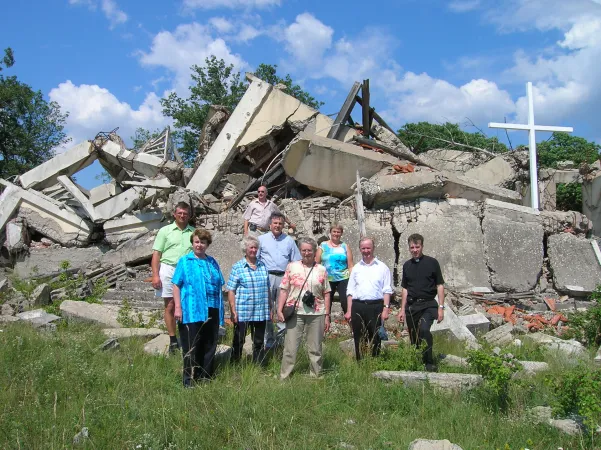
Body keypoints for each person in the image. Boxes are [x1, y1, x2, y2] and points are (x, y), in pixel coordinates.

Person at [172, 229, 225, 387]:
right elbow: (175, 285)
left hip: (212, 308)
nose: (199, 245)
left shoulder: (212, 262)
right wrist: (177, 307)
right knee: (191, 345)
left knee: (209, 344)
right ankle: (189, 381)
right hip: (191, 309)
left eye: (203, 242)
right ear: (192, 243)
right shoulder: (185, 261)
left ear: (207, 244)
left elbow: (219, 283)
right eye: (197, 241)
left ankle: (205, 377)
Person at [277, 237, 331, 379]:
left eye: (309, 250)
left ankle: (316, 376)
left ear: (314, 251)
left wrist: (327, 315)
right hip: (295, 311)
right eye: (304, 250)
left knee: (315, 348)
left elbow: (327, 293)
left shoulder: (322, 269)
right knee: (290, 347)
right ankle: (285, 376)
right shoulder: (291, 266)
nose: (306, 253)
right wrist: (279, 309)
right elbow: (284, 289)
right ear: (300, 251)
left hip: (317, 312)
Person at [397, 233, 445, 372]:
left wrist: (441, 307)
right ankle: (417, 361)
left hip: (429, 304)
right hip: (412, 306)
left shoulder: (432, 262)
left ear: (422, 246)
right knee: (414, 337)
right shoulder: (407, 265)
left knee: (424, 330)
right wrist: (402, 310)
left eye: (417, 247)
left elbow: (440, 285)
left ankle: (429, 362)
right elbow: (405, 288)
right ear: (409, 248)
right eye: (412, 247)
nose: (415, 250)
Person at [151, 202, 195, 353]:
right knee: (170, 305)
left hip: (187, 270)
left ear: (189, 215)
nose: (182, 216)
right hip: (169, 268)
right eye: (180, 213)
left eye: (185, 213)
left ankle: (187, 336)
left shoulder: (193, 232)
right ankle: (172, 339)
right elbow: (157, 254)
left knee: (186, 304)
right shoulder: (165, 231)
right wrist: (155, 275)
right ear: (174, 214)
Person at [345, 237, 393, 360]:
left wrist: (386, 309)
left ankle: (375, 362)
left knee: (375, 336)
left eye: (368, 248)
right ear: (360, 249)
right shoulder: (356, 268)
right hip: (358, 305)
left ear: (373, 248)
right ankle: (360, 363)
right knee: (358, 336)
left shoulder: (382, 267)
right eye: (363, 248)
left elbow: (387, 290)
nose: (366, 251)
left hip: (375, 306)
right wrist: (349, 310)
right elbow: (350, 290)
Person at [258, 212, 301, 349]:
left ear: (283, 225)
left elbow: (296, 261)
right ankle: (269, 341)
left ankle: (282, 341)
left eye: (280, 224)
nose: (277, 226)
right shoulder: (261, 239)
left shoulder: (289, 241)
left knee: (283, 308)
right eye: (275, 223)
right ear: (270, 224)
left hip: (284, 277)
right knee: (267, 308)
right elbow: (256, 259)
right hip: (267, 277)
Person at [226, 236, 270, 364]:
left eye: (255, 247)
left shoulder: (263, 266)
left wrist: (270, 308)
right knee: (239, 339)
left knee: (259, 340)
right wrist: (233, 310)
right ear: (245, 249)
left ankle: (258, 365)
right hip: (243, 310)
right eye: (251, 247)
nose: (253, 250)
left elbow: (267, 288)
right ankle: (235, 363)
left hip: (260, 310)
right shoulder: (238, 267)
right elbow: (231, 290)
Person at [315, 223, 354, 314]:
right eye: (334, 231)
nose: (336, 234)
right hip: (327, 278)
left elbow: (350, 265)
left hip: (343, 278)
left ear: (341, 233)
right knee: (325, 304)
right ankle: (325, 324)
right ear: (330, 232)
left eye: (338, 232)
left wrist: (352, 280)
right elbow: (317, 263)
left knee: (346, 303)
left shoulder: (345, 246)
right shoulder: (323, 245)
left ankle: (351, 323)